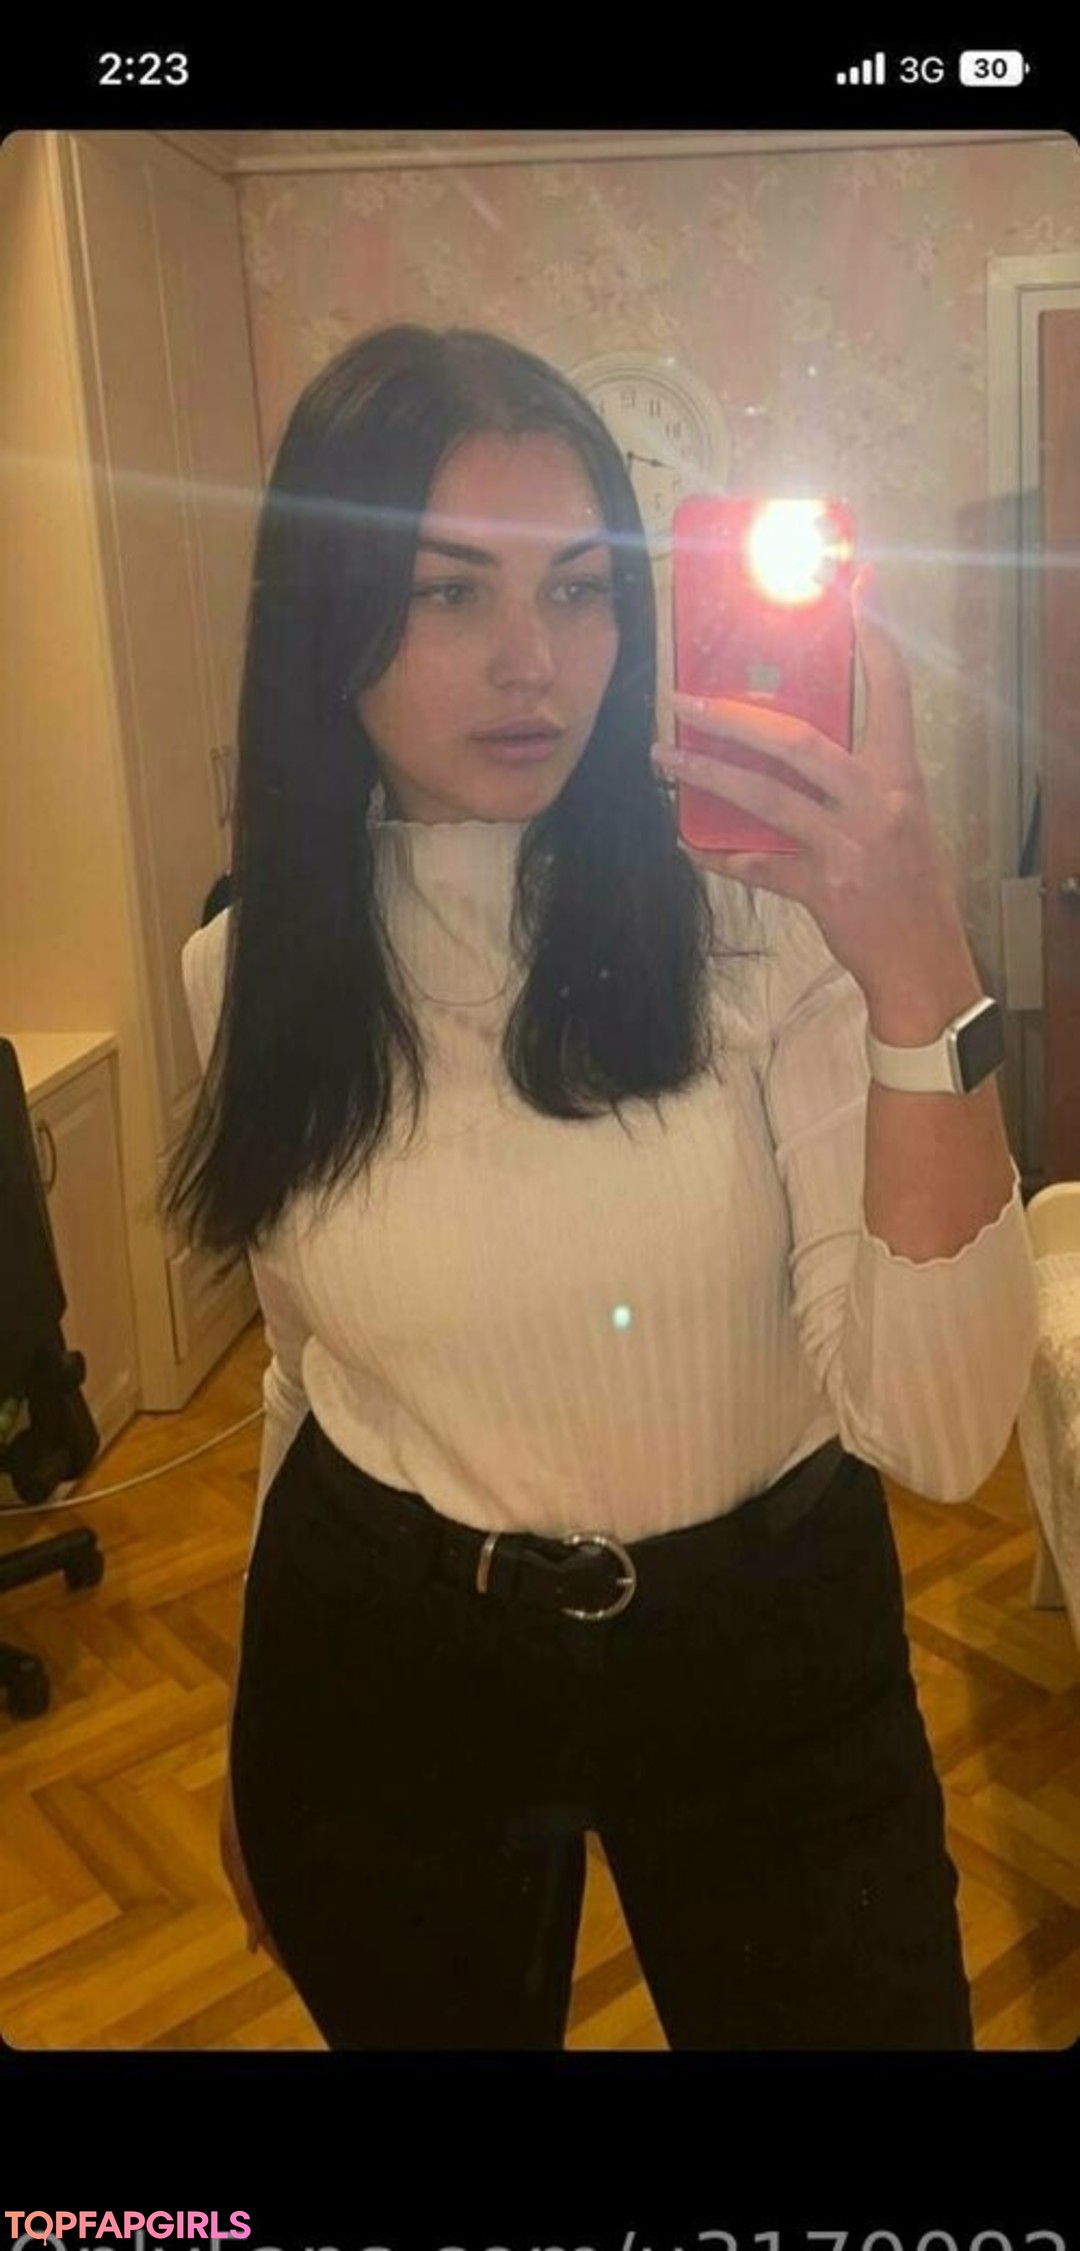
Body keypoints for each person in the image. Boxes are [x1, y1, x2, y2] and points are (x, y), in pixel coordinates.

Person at [165, 323, 1039, 2052]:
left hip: (767, 1655)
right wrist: (269, 1720)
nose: (536, 665)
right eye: (450, 593)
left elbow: (943, 1439)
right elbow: (309, 1374)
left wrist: (919, 965)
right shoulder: (250, 968)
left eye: (580, 590)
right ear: (329, 621)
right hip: (386, 1659)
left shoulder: (766, 919)